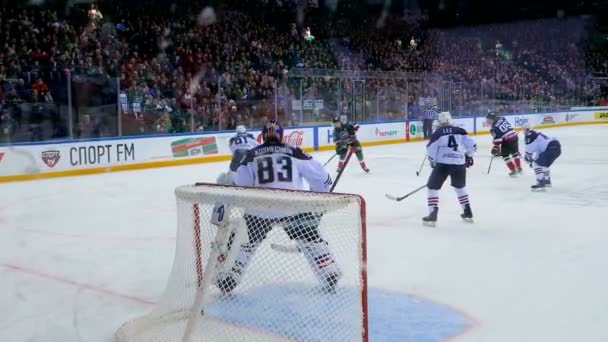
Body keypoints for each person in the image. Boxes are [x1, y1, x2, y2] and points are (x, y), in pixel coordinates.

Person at [215, 120, 340, 294]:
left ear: (262, 136)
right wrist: (319, 198)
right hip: (293, 207)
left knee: (245, 244)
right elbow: (322, 179)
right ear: (282, 135)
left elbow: (242, 185)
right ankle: (329, 272)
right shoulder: (296, 152)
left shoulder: (251, 155)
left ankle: (231, 277)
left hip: (260, 210)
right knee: (312, 240)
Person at [424, 112, 476, 226]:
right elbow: (472, 145)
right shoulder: (460, 130)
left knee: (432, 188)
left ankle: (433, 213)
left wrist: (432, 161)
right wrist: (469, 156)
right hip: (459, 163)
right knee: (460, 188)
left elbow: (431, 148)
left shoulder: (438, 132)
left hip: (443, 164)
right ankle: (467, 211)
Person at [522, 123, 561, 190]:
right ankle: (547, 181)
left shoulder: (529, 136)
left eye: (524, 129)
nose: (523, 131)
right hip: (556, 148)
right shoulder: (536, 134)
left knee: (536, 164)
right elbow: (539, 150)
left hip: (550, 149)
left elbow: (528, 152)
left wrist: (527, 158)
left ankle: (540, 182)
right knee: (543, 165)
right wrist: (531, 159)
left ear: (528, 129)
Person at [486, 112, 523, 176]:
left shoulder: (493, 128)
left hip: (508, 140)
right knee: (515, 153)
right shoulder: (502, 118)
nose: (487, 120)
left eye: (489, 119)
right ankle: (519, 168)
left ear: (492, 119)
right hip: (514, 136)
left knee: (505, 155)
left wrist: (495, 147)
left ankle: (513, 170)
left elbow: (498, 139)